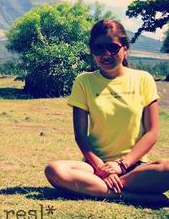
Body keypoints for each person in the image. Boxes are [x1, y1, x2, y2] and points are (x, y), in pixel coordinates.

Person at [45, 19, 169, 205]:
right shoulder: (84, 82)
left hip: (134, 168)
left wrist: (121, 165)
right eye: (98, 49)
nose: (106, 54)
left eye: (112, 47)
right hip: (94, 168)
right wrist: (102, 168)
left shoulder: (143, 79)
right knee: (54, 170)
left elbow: (152, 133)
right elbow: (81, 135)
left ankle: (101, 188)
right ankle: (128, 196)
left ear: (125, 48)